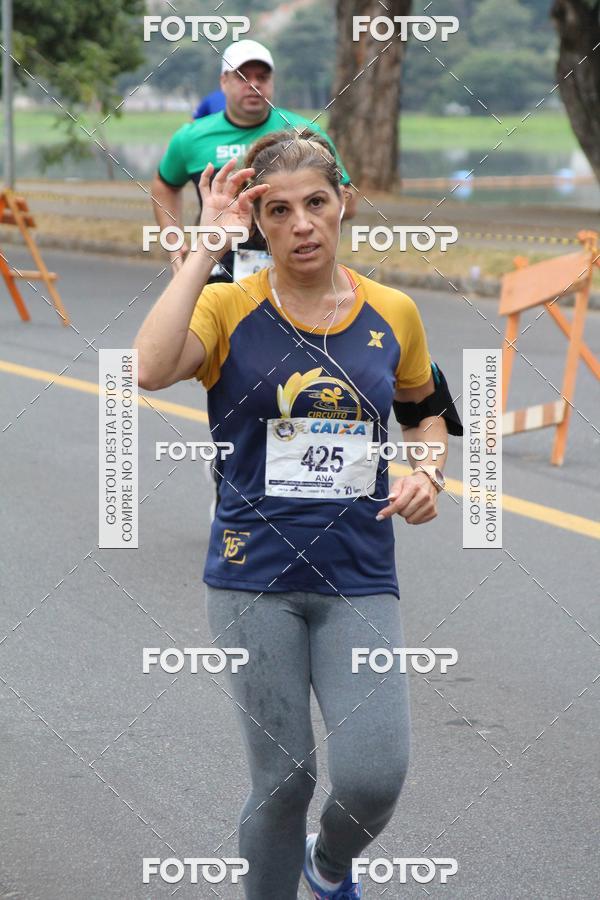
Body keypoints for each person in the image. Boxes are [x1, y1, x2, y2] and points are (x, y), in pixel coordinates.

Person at [134, 131, 462, 899]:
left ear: (343, 201)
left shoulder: (395, 312)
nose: (302, 224)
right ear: (259, 225)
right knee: (283, 783)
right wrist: (203, 248)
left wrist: (427, 470)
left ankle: (329, 866)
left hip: (360, 575)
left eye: (316, 202)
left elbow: (427, 413)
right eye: (277, 211)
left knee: (375, 777)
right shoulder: (225, 305)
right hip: (254, 581)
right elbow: (149, 367)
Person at [151, 38, 356, 281]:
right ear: (223, 82)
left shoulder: (304, 133)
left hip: (290, 265)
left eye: (262, 77)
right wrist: (173, 242)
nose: (254, 85)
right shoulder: (192, 137)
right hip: (217, 266)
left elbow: (347, 199)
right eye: (242, 77)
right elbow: (164, 185)